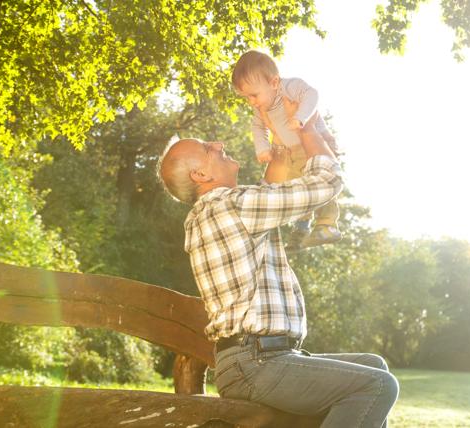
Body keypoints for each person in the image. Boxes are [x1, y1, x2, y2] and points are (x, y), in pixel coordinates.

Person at [157, 125, 398, 427]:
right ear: (200, 176)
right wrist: (313, 137)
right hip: (257, 363)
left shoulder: (216, 212)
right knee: (377, 385)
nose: (218, 144)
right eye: (207, 148)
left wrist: (281, 158)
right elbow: (325, 184)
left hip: (255, 360)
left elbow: (266, 197)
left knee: (374, 366)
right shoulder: (232, 206)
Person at [231, 49, 342, 251]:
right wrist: (262, 148)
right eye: (247, 97)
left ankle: (327, 224)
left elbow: (312, 94)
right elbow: (257, 127)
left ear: (274, 83)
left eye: (254, 95)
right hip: (292, 150)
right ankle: (302, 229)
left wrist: (300, 117)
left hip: (314, 142)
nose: (252, 102)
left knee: (318, 179)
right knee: (298, 186)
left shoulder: (290, 87)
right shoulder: (260, 108)